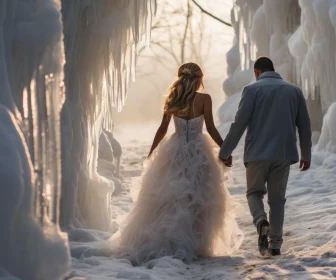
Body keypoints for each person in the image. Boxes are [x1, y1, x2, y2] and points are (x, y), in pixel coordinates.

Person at [115, 62, 243, 264]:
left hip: (173, 150)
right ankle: (193, 242)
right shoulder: (204, 99)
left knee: (171, 197)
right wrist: (225, 149)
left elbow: (162, 129)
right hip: (199, 151)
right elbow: (210, 127)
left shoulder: (172, 98)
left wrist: (152, 153)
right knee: (198, 196)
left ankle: (171, 240)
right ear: (199, 79)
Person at [219, 56, 312, 256]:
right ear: (273, 69)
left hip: (257, 153)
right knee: (277, 200)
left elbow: (239, 125)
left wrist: (224, 152)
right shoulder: (293, 91)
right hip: (283, 153)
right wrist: (306, 154)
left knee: (254, 193)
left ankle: (261, 221)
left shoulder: (252, 90)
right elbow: (304, 126)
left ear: (256, 72)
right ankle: (276, 245)